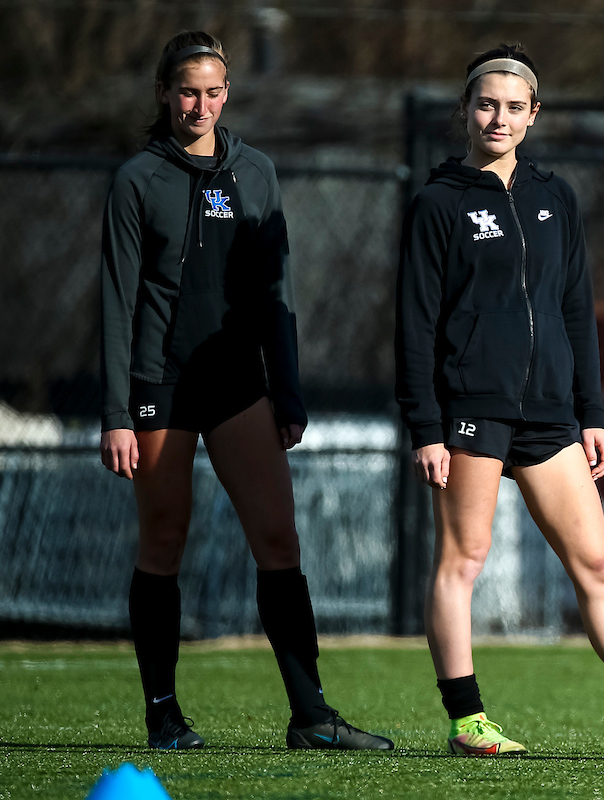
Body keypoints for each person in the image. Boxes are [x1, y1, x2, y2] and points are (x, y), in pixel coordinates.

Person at [395, 44, 604, 756]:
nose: (499, 117)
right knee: (464, 560)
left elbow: (576, 308)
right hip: (472, 408)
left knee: (600, 566)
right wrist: (426, 427)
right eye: (487, 103)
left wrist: (593, 413)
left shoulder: (555, 197)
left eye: (514, 107)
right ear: (466, 110)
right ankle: (467, 722)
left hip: (550, 412)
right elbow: (415, 323)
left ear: (533, 116)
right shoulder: (438, 202)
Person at [99, 31, 391, 752]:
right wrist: (116, 414)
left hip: (238, 386)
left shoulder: (255, 172)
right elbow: (116, 302)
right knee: (163, 541)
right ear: (164, 93)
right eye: (187, 91)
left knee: (278, 540)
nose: (201, 104)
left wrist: (287, 391)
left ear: (228, 94)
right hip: (159, 387)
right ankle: (163, 715)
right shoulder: (136, 179)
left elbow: (275, 292)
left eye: (214, 91)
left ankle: (312, 716)